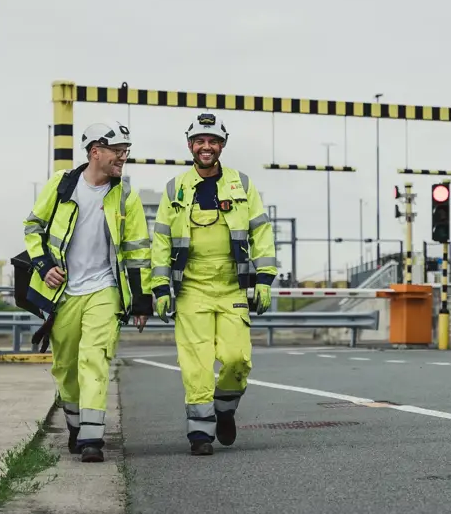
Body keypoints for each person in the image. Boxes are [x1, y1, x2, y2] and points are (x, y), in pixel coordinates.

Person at [22, 121, 153, 462]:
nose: (123, 157)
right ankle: (77, 426)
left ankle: (93, 438)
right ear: (96, 151)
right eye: (117, 151)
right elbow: (32, 227)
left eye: (126, 151)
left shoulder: (126, 196)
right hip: (63, 293)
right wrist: (43, 265)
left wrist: (141, 300)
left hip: (104, 289)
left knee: (94, 358)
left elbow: (138, 250)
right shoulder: (62, 185)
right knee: (65, 366)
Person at [150, 112, 277, 456]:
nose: (207, 147)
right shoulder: (174, 189)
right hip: (191, 289)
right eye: (200, 141)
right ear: (190, 145)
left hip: (231, 287)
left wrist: (264, 280)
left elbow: (261, 232)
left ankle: (224, 409)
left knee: (238, 359)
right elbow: (160, 240)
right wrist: (160, 287)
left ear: (222, 145)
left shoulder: (243, 185)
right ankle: (200, 434)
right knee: (197, 365)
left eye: (213, 141)